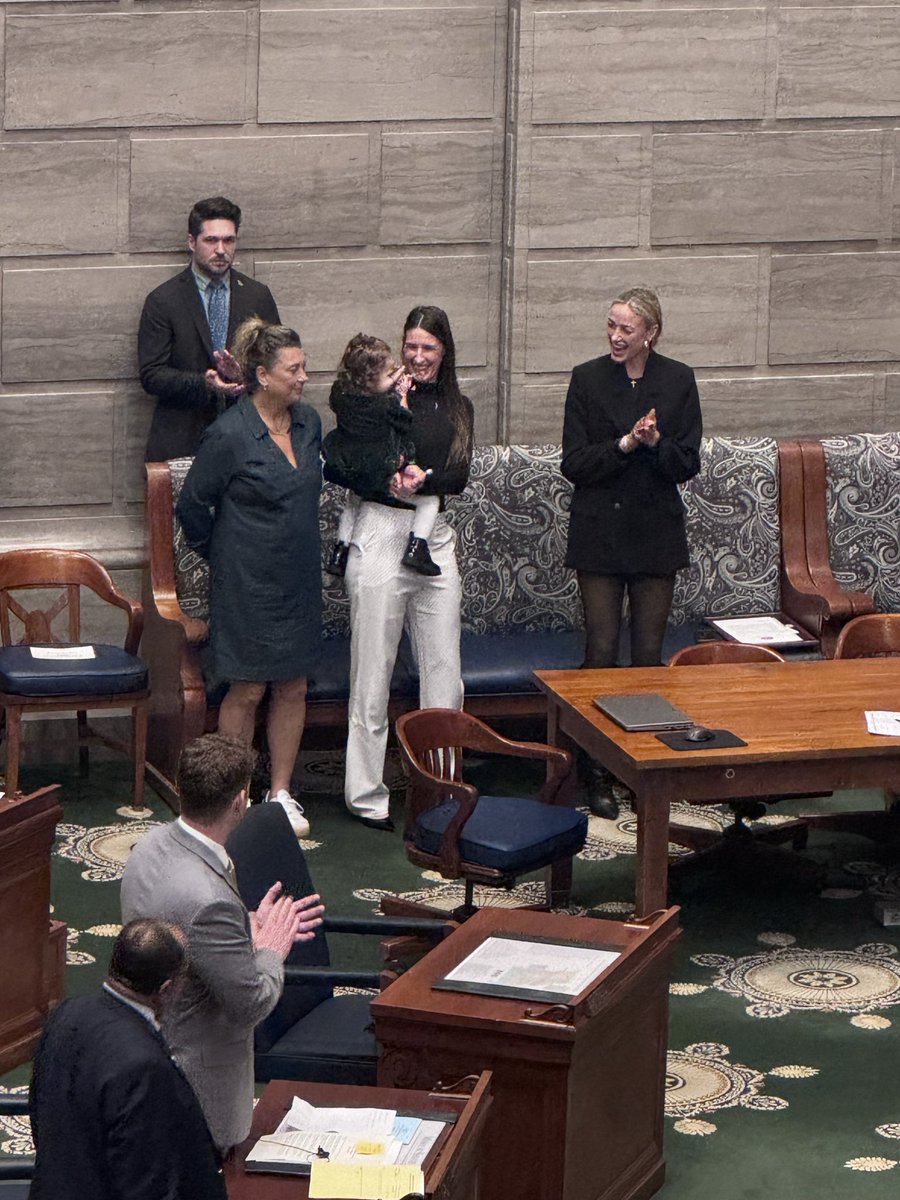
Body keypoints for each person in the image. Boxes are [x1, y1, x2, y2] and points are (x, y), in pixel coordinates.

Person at [121, 733, 325, 1155]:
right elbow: (250, 1003)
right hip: (197, 1083)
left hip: (147, 1046)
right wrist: (271, 946)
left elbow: (178, 930)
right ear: (239, 802)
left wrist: (241, 928)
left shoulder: (149, 845)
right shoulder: (209, 899)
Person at [327, 305, 474, 830]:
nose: (417, 357)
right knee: (372, 675)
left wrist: (422, 481)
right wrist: (387, 480)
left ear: (444, 352)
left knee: (445, 675)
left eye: (428, 349)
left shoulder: (459, 406)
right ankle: (366, 794)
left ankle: (443, 789)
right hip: (381, 529)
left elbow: (458, 471)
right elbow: (344, 463)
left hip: (434, 535)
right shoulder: (377, 396)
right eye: (410, 347)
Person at [176, 317, 322, 837]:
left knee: (293, 685)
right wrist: (222, 553)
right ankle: (231, 796)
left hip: (299, 577)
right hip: (245, 580)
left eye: (304, 366)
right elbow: (193, 505)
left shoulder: (309, 425)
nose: (304, 377)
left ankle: (281, 793)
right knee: (248, 689)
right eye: (295, 369)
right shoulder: (230, 434)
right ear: (262, 375)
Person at [561, 285, 702, 816]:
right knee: (600, 654)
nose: (616, 336)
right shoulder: (586, 377)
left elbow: (686, 463)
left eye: (627, 329)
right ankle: (591, 771)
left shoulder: (678, 380)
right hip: (599, 533)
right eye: (612, 326)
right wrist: (624, 445)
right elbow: (573, 463)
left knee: (646, 657)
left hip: (654, 535)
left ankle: (644, 769)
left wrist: (655, 444)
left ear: (651, 333)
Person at [29, 919, 227, 1200]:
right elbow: (145, 1181)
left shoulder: (67, 1013)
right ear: (167, 988)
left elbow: (39, 1110)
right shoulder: (143, 1067)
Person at [139, 196, 281, 461]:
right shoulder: (163, 300)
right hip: (183, 438)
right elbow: (151, 375)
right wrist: (204, 383)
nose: (220, 250)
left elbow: (278, 364)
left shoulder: (257, 296)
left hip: (248, 439)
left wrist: (245, 375)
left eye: (229, 240)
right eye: (211, 240)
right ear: (192, 242)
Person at [323, 332, 441, 578]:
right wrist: (402, 394)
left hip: (351, 462)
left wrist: (387, 383)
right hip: (382, 465)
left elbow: (363, 393)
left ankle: (340, 551)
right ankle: (417, 547)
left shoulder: (341, 396)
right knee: (430, 501)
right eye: (390, 373)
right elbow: (404, 421)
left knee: (353, 501)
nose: (396, 374)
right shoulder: (384, 405)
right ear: (368, 380)